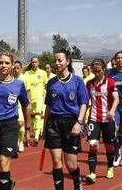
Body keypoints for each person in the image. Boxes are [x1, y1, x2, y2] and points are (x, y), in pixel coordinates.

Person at [0, 51, 32, 190]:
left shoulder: (18, 85)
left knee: (4, 162)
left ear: (12, 66)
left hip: (10, 126)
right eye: (1, 62)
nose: (3, 65)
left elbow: (26, 107)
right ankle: (9, 183)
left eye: (7, 63)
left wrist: (27, 130)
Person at [43, 49, 88, 190]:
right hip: (53, 124)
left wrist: (79, 122)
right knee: (56, 162)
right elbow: (48, 107)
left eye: (60, 60)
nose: (57, 63)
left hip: (71, 124)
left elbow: (83, 104)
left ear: (67, 61)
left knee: (71, 164)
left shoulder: (78, 81)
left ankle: (76, 181)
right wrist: (45, 128)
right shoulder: (51, 83)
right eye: (55, 60)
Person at [85, 59, 119, 184]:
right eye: (94, 71)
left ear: (104, 69)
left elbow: (116, 99)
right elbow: (85, 101)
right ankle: (92, 173)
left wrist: (112, 110)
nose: (97, 73)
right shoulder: (89, 84)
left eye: (99, 71)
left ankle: (110, 167)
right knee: (93, 144)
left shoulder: (110, 82)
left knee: (108, 145)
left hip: (107, 118)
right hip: (94, 118)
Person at [25, 57, 48, 146]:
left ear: (38, 63)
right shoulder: (27, 73)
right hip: (29, 98)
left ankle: (36, 137)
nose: (34, 63)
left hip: (39, 98)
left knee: (38, 116)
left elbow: (46, 85)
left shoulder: (43, 73)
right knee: (32, 118)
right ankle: (34, 134)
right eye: (32, 62)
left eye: (36, 62)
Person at [13, 60, 29, 152]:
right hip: (12, 104)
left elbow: (28, 91)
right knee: (15, 125)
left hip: (21, 104)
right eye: (14, 68)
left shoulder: (25, 78)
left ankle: (20, 143)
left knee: (20, 123)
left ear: (21, 68)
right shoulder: (10, 78)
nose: (16, 70)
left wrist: (28, 103)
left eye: (17, 68)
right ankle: (16, 141)